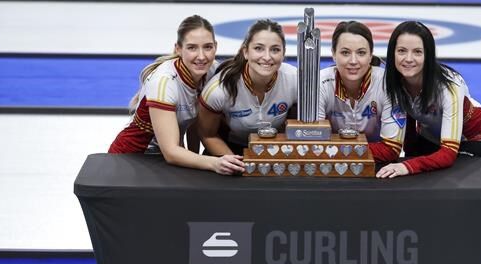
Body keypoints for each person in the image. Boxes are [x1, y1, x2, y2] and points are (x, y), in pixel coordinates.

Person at [108, 15, 244, 175]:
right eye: (192, 48)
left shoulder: (212, 70)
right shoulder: (164, 82)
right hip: (134, 158)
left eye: (207, 47)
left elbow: (196, 124)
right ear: (178, 48)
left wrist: (196, 160)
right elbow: (171, 152)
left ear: (216, 46)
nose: (201, 56)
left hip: (170, 157)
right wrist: (214, 163)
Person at [377, 21, 481, 178]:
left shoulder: (449, 86)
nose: (408, 59)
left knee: (447, 178)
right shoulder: (392, 82)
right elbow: (408, 120)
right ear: (392, 53)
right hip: (432, 134)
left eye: (418, 52)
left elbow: (448, 153)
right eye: (402, 51)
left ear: (428, 55)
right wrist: (408, 156)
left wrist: (407, 165)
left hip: (474, 137)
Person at [199, 19, 297, 155]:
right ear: (246, 52)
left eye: (275, 50)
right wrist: (234, 163)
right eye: (258, 48)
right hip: (231, 149)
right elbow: (208, 136)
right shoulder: (219, 89)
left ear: (283, 53)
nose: (267, 57)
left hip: (277, 149)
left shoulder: (295, 80)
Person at [318, 21, 405, 163]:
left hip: (378, 168)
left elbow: (391, 150)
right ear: (333, 54)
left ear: (371, 56)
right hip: (331, 168)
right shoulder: (319, 83)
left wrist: (338, 151)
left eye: (361, 53)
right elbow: (315, 145)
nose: (353, 61)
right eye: (345, 52)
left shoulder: (389, 84)